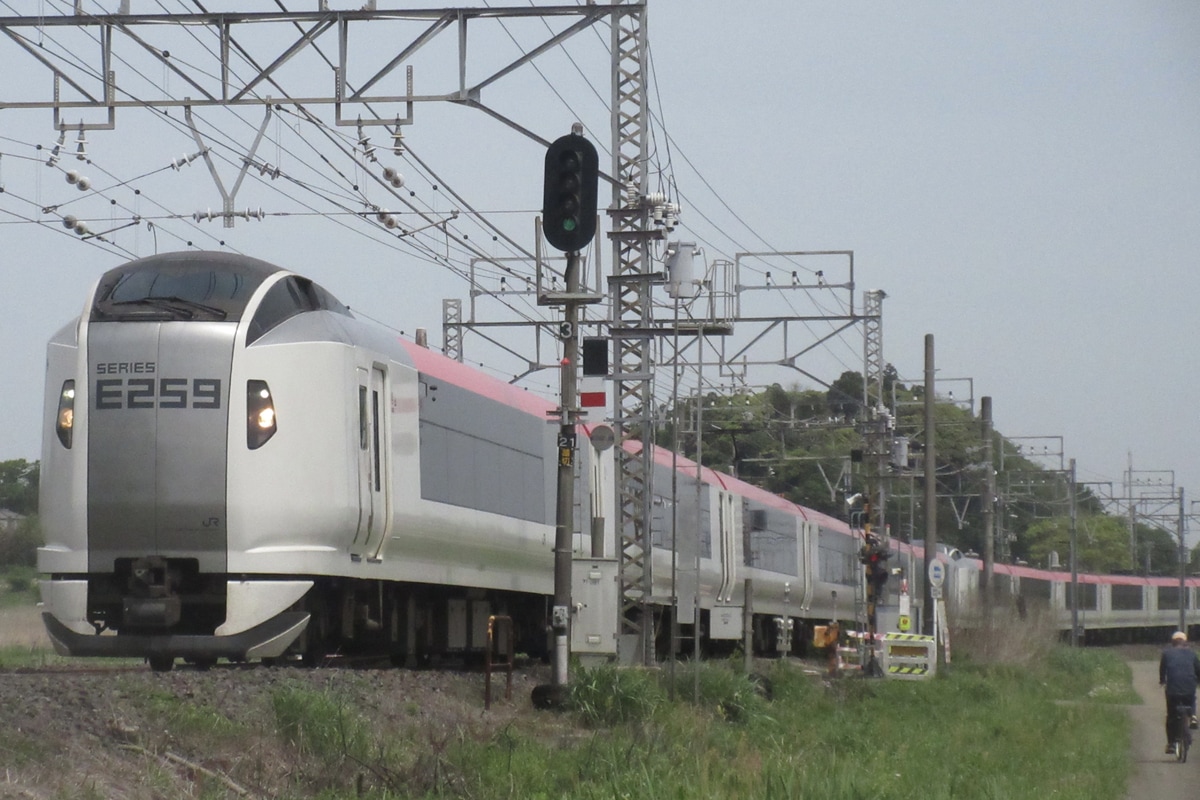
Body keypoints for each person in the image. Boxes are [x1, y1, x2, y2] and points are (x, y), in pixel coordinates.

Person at [1159, 630, 1200, 754]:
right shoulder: (1192, 654)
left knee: (1171, 715)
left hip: (1173, 690)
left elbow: (1162, 670)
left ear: (1172, 643)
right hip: (1189, 687)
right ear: (1185, 642)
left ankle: (1171, 744)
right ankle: (1193, 715)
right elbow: (1198, 670)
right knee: (1191, 697)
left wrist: (1162, 681)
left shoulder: (1166, 653)